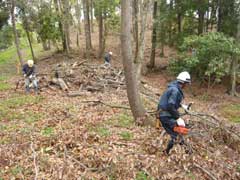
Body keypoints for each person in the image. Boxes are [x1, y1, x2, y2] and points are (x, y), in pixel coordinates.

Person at [157, 71, 191, 155]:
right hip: (165, 115)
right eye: (186, 84)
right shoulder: (175, 90)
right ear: (183, 83)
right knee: (177, 133)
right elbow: (170, 105)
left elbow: (171, 103)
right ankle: (168, 152)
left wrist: (182, 106)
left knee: (177, 133)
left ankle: (169, 151)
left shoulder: (173, 88)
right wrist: (178, 118)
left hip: (165, 114)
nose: (186, 86)